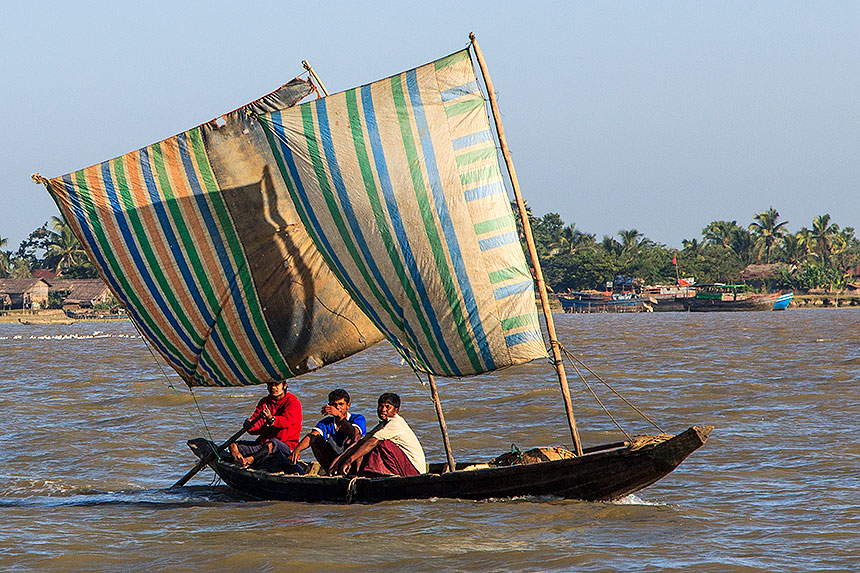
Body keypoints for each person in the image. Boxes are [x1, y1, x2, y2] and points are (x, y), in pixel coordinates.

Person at [330, 392, 425, 477]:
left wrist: (350, 460)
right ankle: (364, 473)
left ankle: (375, 474)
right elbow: (361, 442)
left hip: (413, 471)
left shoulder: (395, 423)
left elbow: (372, 442)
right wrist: (339, 460)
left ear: (395, 410)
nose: (383, 409)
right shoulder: (383, 424)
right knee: (363, 441)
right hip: (404, 466)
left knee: (381, 443)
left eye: (388, 407)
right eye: (381, 406)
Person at [228, 379, 302, 472]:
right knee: (233, 446)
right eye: (270, 384)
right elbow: (256, 426)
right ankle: (240, 463)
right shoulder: (264, 402)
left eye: (277, 384)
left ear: (284, 386)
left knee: (273, 443)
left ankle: (251, 460)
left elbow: (286, 421)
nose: (273, 387)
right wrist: (249, 425)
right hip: (263, 446)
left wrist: (271, 419)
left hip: (285, 446)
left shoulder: (293, 402)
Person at [288, 389, 366, 470]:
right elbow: (312, 436)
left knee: (357, 438)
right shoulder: (326, 422)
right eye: (334, 405)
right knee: (316, 439)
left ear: (348, 405)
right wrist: (297, 450)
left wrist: (339, 416)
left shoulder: (357, 418)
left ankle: (357, 473)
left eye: (341, 404)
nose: (338, 407)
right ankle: (330, 471)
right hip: (333, 460)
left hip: (351, 460)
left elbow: (353, 433)